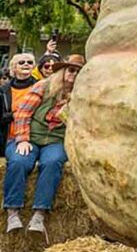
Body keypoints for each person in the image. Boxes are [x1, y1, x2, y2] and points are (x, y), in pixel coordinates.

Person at [4, 54, 85, 235]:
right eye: (71, 70)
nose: (74, 75)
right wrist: (23, 139)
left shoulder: (82, 96)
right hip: (30, 136)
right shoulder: (43, 86)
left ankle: (39, 214)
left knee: (52, 162)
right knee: (19, 161)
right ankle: (12, 212)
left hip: (55, 140)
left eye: (79, 72)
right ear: (63, 71)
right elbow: (23, 113)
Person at [1, 54, 39, 148]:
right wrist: (13, 115)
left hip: (34, 137)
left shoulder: (40, 87)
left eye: (29, 62)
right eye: (21, 62)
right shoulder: (3, 90)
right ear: (14, 68)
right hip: (11, 137)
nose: (26, 64)